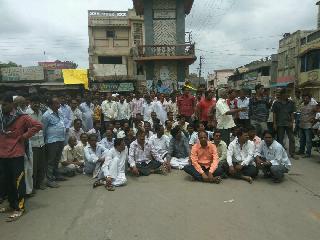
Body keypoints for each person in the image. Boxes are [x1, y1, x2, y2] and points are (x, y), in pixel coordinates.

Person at [0, 92, 42, 221]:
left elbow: (38, 125)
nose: (2, 107)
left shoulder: (22, 117)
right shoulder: (1, 117)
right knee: (7, 182)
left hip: (16, 154)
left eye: (5, 105)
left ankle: (20, 208)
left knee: (18, 182)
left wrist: (24, 137)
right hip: (2, 154)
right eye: (1, 104)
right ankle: (12, 205)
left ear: (12, 104)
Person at [42, 97, 66, 188]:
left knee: (57, 159)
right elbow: (43, 130)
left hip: (60, 139)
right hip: (51, 140)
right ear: (51, 105)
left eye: (59, 103)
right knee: (50, 161)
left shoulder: (59, 112)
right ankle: (49, 179)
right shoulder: (46, 115)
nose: (58, 105)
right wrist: (44, 142)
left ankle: (56, 175)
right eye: (56, 104)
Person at [25, 95, 47, 190]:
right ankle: (32, 186)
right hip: (32, 144)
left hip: (41, 142)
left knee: (41, 165)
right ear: (30, 102)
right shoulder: (27, 113)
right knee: (33, 166)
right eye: (34, 102)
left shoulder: (40, 112)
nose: (36, 104)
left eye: (38, 103)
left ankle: (39, 183)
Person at [272, 88, 296, 159]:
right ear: (282, 95)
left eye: (288, 94)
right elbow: (274, 114)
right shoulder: (276, 103)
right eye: (286, 94)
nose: (288, 95)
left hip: (288, 123)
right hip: (280, 123)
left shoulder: (291, 103)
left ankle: (292, 153)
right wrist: (274, 123)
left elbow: (292, 113)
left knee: (292, 139)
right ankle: (281, 154)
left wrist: (292, 122)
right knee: (280, 139)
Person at [298, 93, 316, 158]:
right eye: (304, 98)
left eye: (306, 98)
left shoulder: (313, 105)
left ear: (309, 98)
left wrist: (313, 119)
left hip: (308, 125)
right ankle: (301, 151)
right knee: (302, 139)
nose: (305, 99)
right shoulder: (302, 105)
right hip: (301, 124)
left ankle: (308, 153)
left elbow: (317, 112)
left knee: (308, 140)